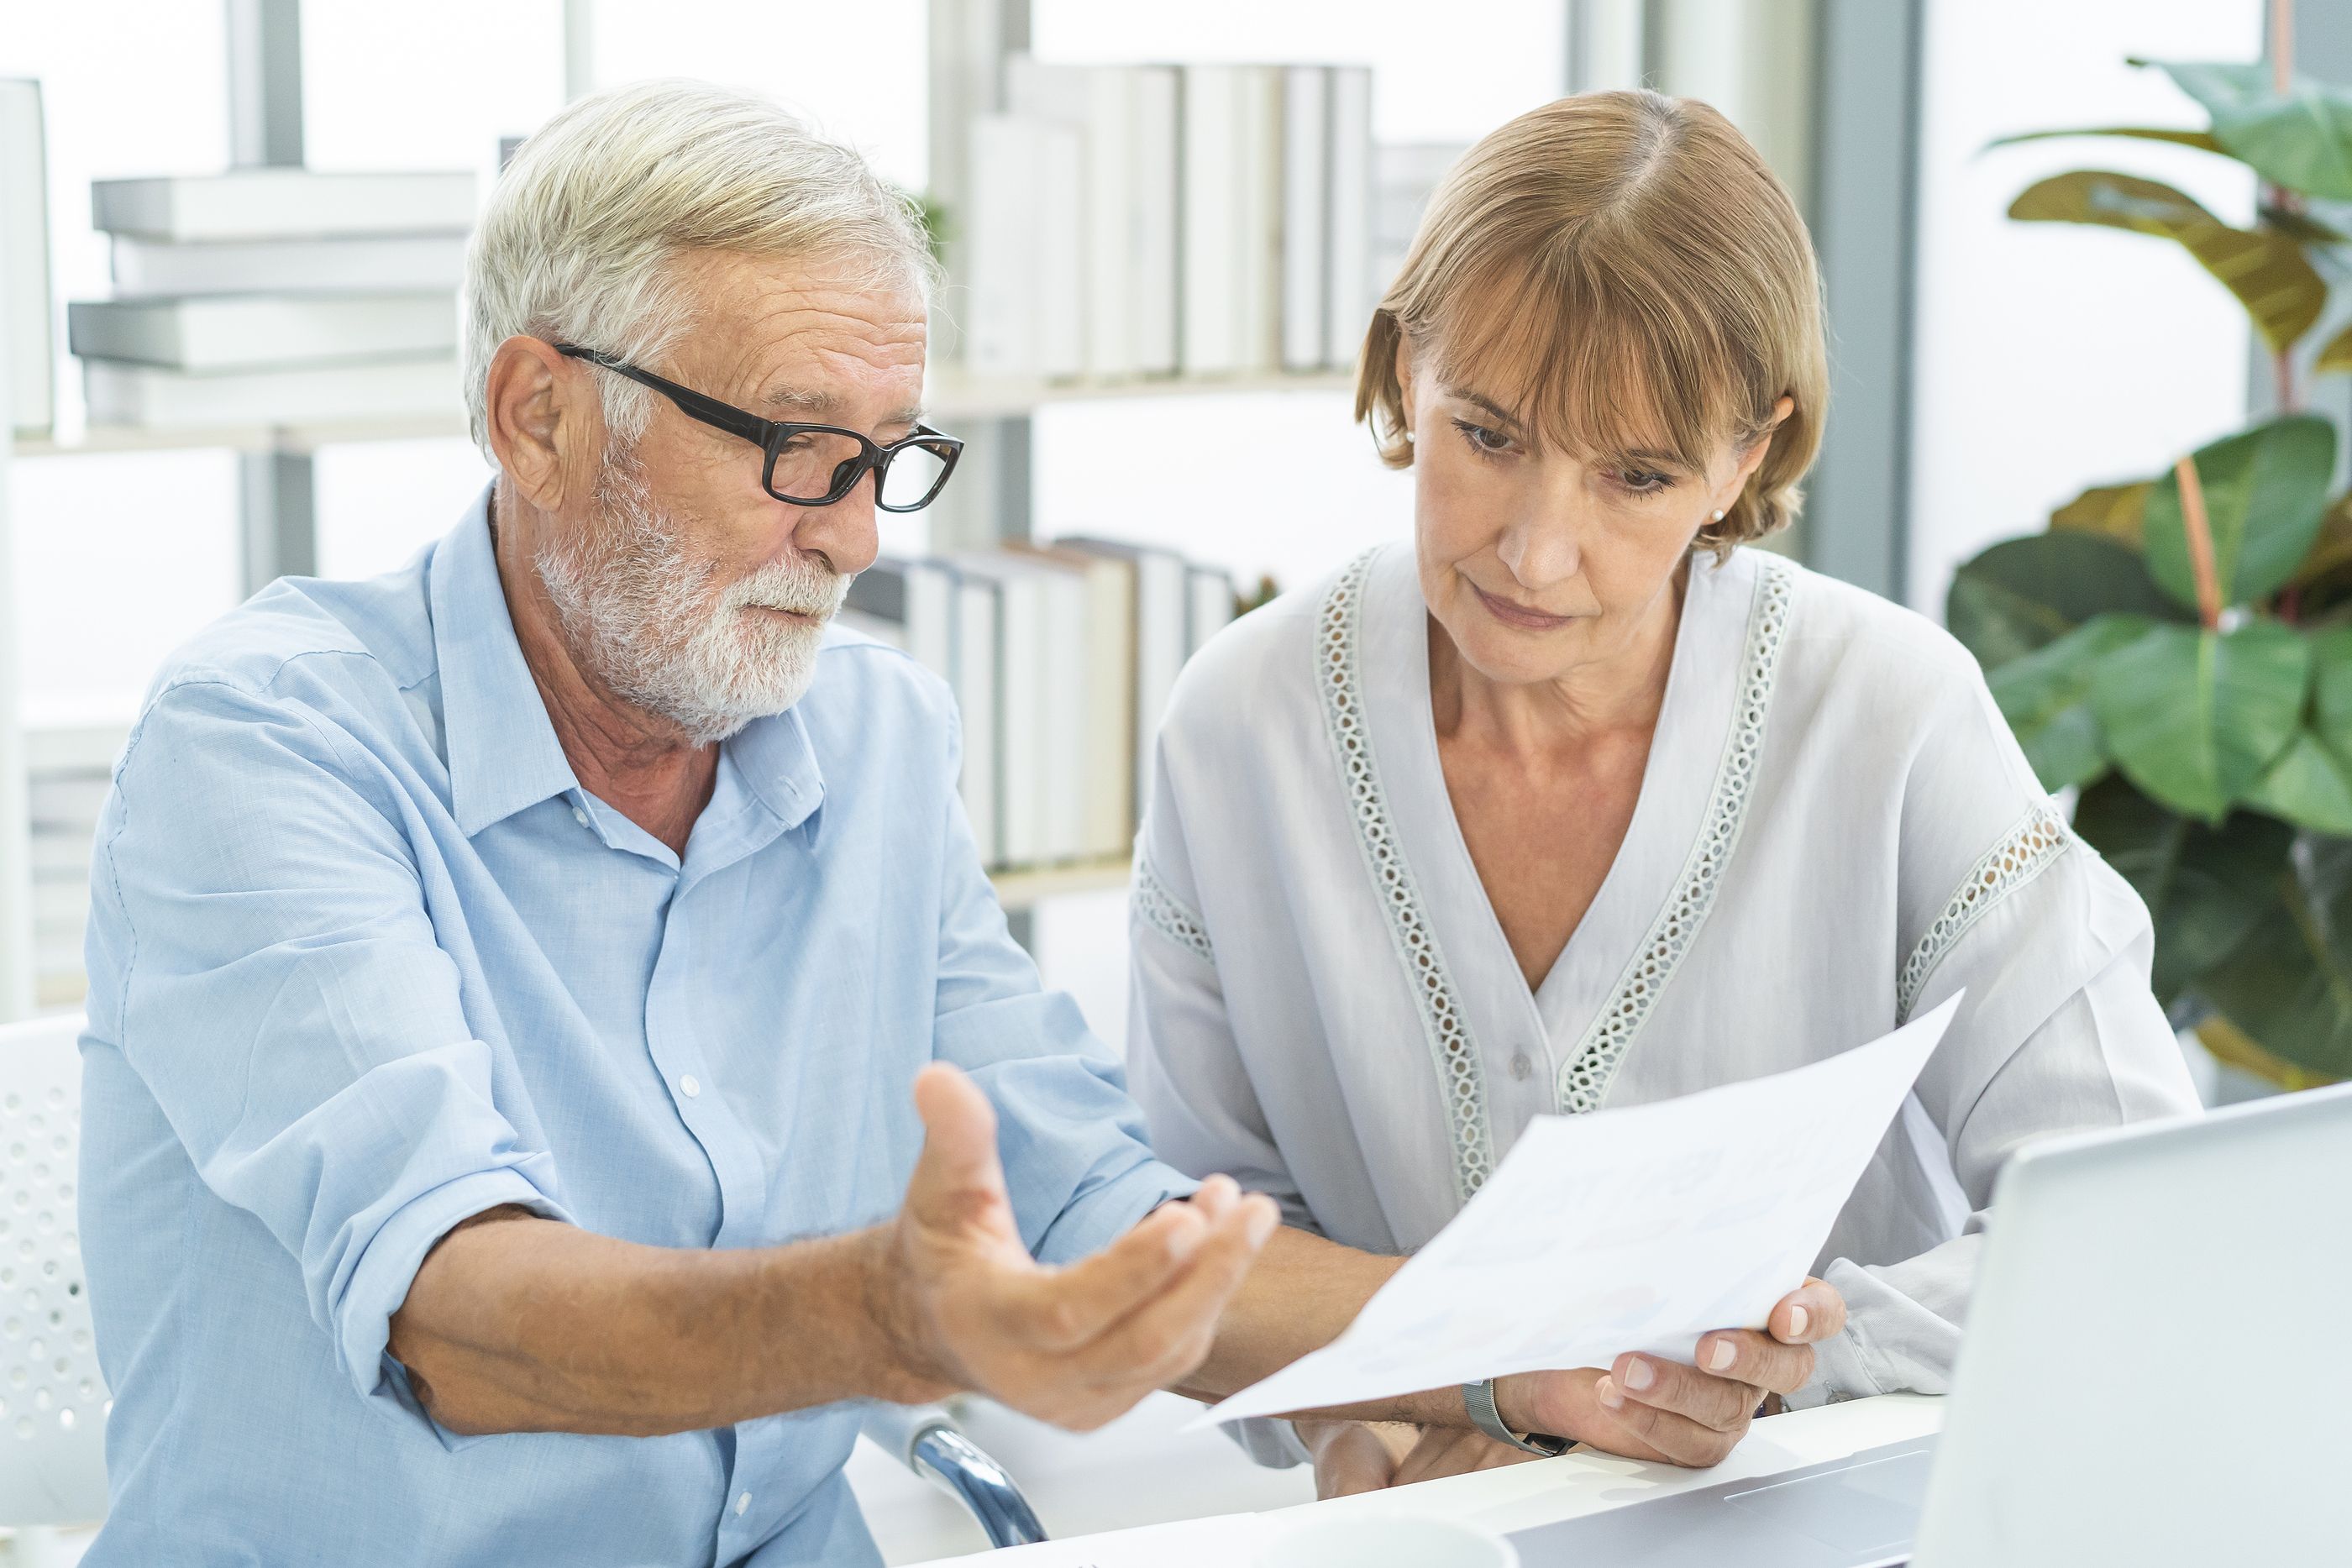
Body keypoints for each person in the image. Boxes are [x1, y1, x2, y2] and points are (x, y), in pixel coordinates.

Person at [74, 81, 1839, 1568]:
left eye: (886, 456)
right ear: (538, 412)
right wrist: (885, 1317)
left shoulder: (871, 735)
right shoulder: (270, 744)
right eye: (790, 449)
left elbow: (1083, 1204)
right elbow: (452, 1311)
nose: (851, 538)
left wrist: (1526, 1357)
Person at [1126, 88, 2203, 1497]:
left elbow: (2135, 1215)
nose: (1536, 552)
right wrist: (1382, 1412)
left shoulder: (1888, 713)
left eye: (1634, 475)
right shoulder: (1240, 727)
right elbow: (1191, 1234)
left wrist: (1787, 1363)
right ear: (1404, 372)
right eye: (1489, 435)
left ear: (1746, 456)